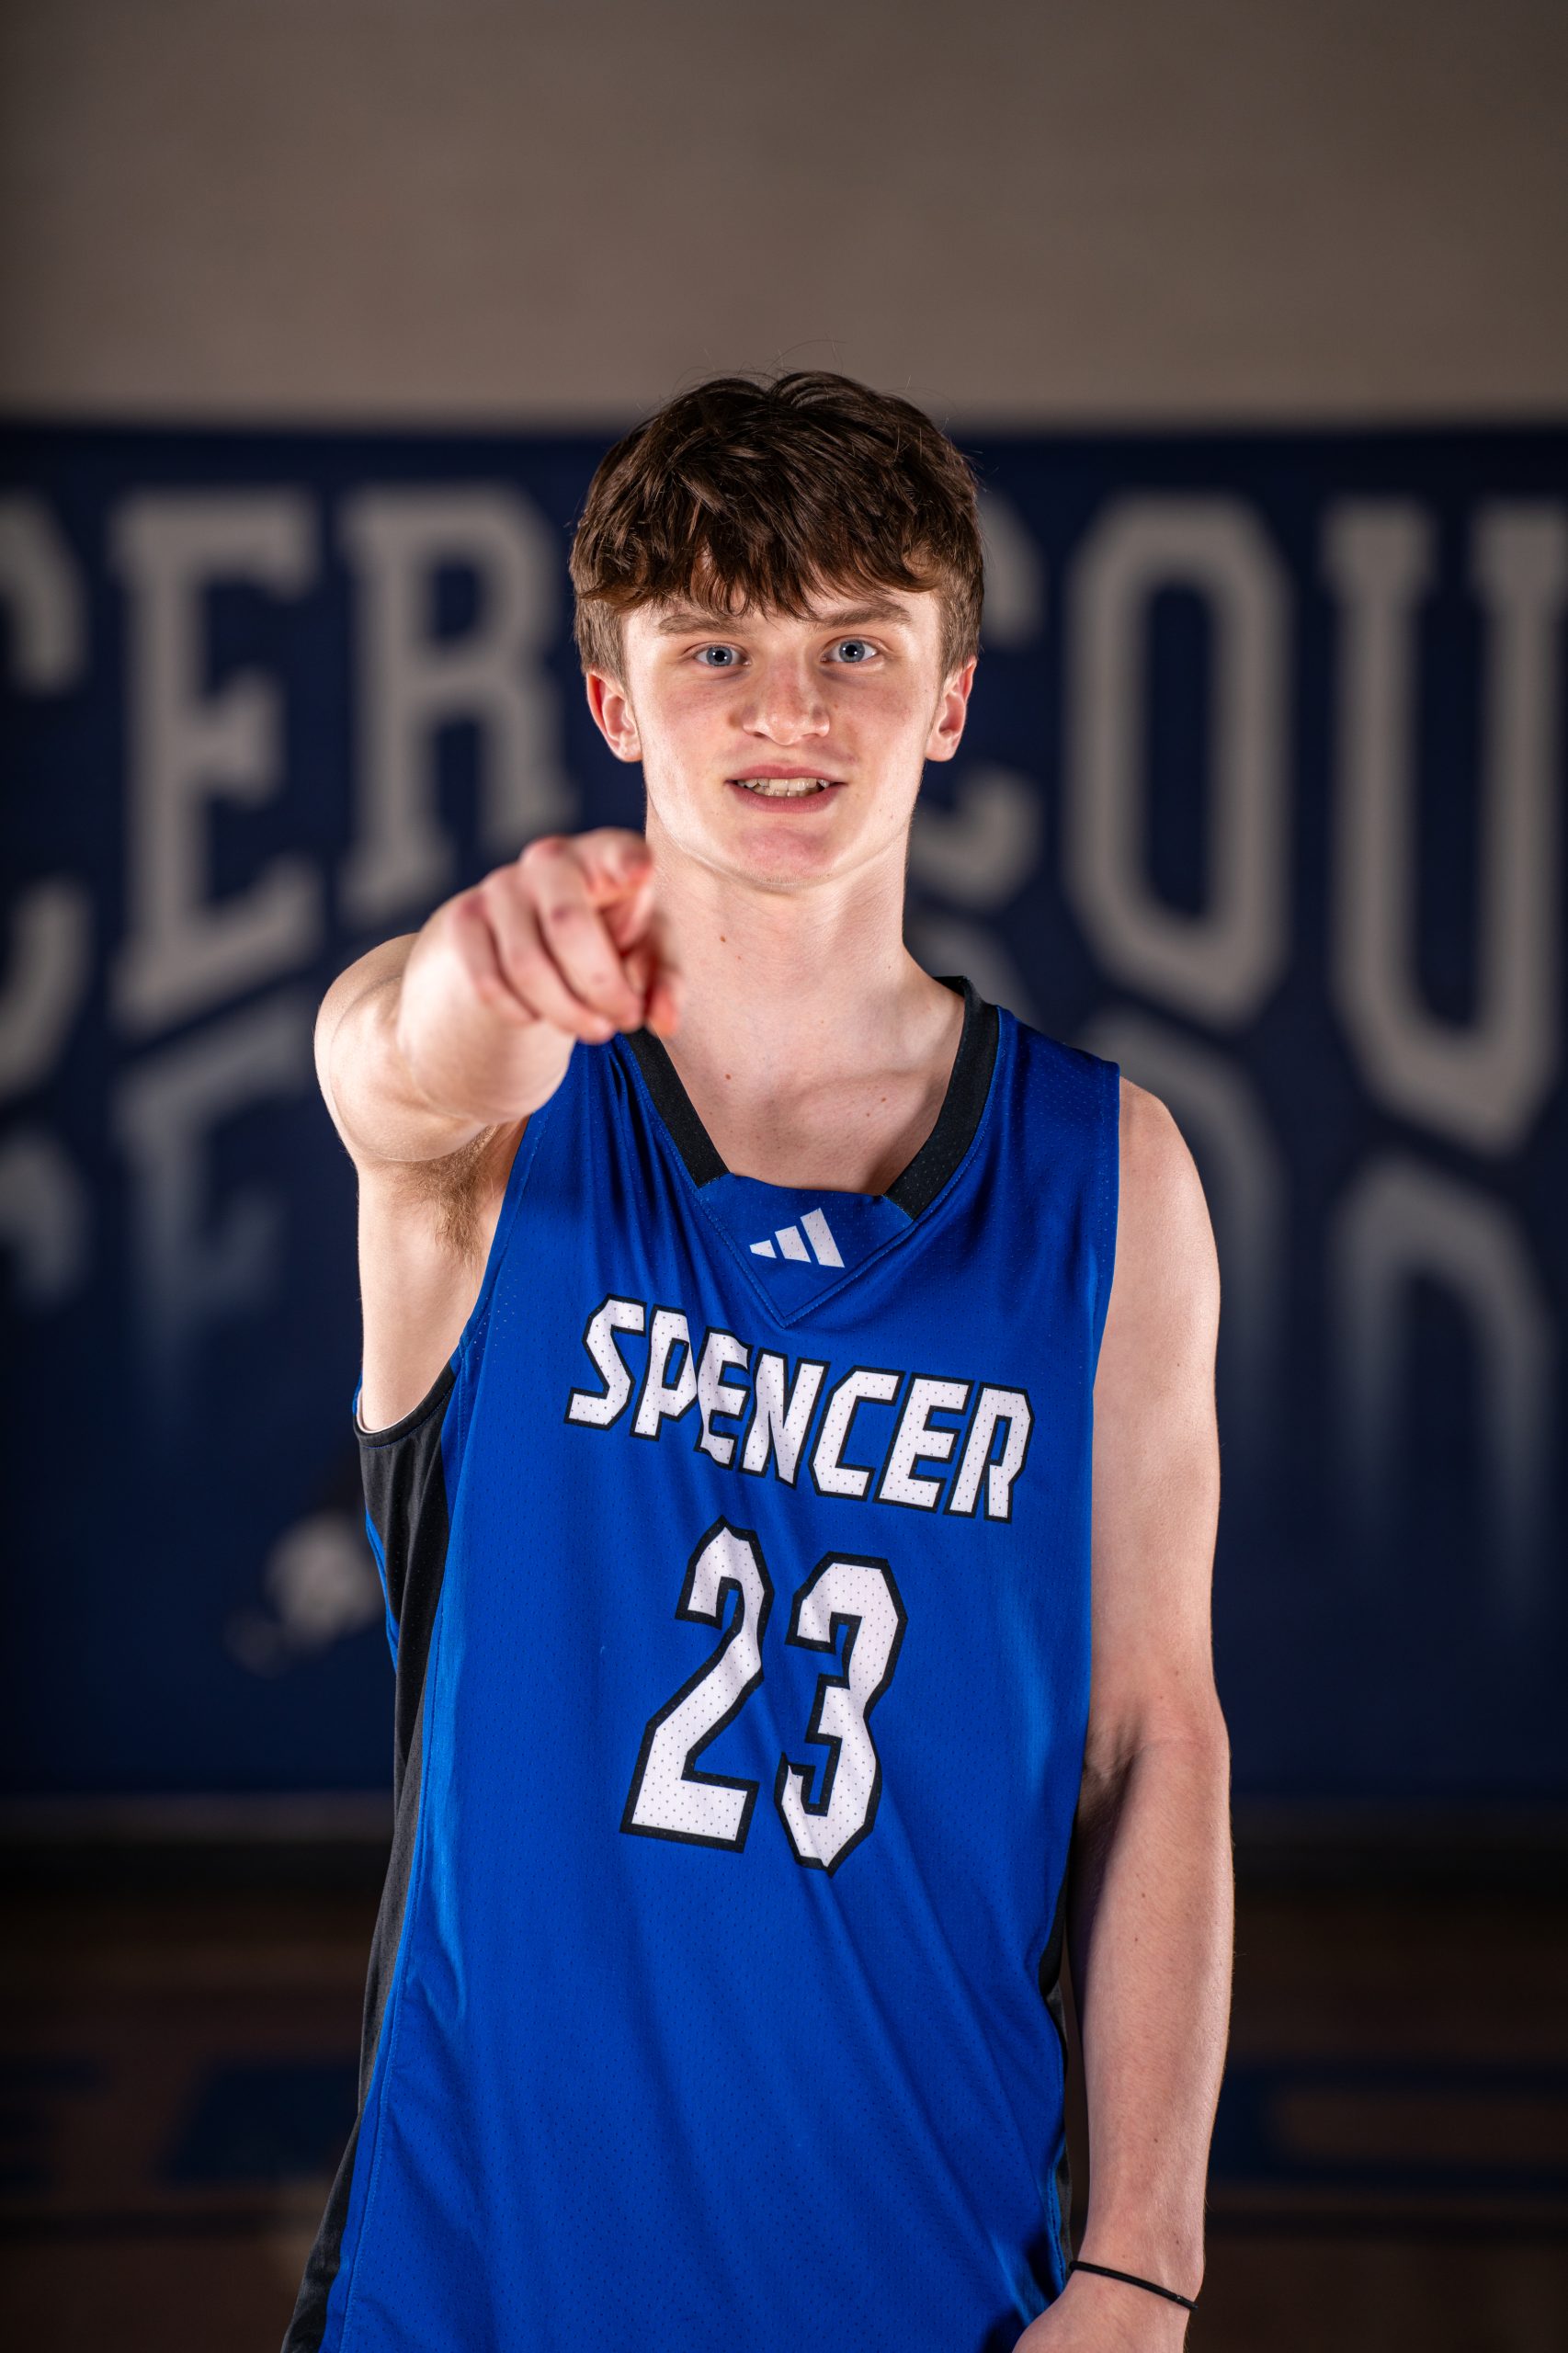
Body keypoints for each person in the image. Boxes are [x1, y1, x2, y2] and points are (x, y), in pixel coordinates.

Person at [285, 370, 1232, 2353]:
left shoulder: (1109, 1175)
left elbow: (1151, 1737)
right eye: (714, 645)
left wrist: (1143, 2255)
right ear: (614, 700)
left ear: (948, 699)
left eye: (854, 646)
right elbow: (394, 1059)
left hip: (931, 2278)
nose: (785, 707)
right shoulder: (502, 1120)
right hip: (476, 2287)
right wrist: (480, 964)